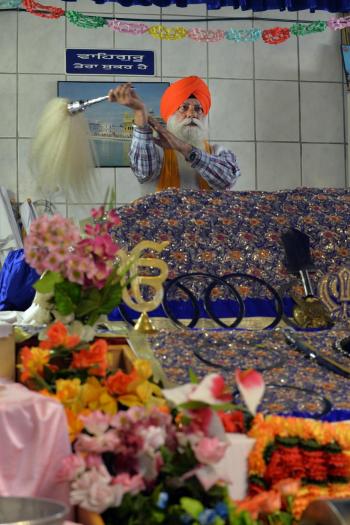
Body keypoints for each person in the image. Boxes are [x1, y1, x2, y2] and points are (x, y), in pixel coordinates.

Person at [108, 75, 240, 191]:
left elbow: (227, 180)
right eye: (184, 108)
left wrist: (184, 149)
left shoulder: (218, 152)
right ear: (170, 117)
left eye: (198, 109)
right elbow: (143, 173)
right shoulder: (158, 151)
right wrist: (139, 112)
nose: (191, 114)